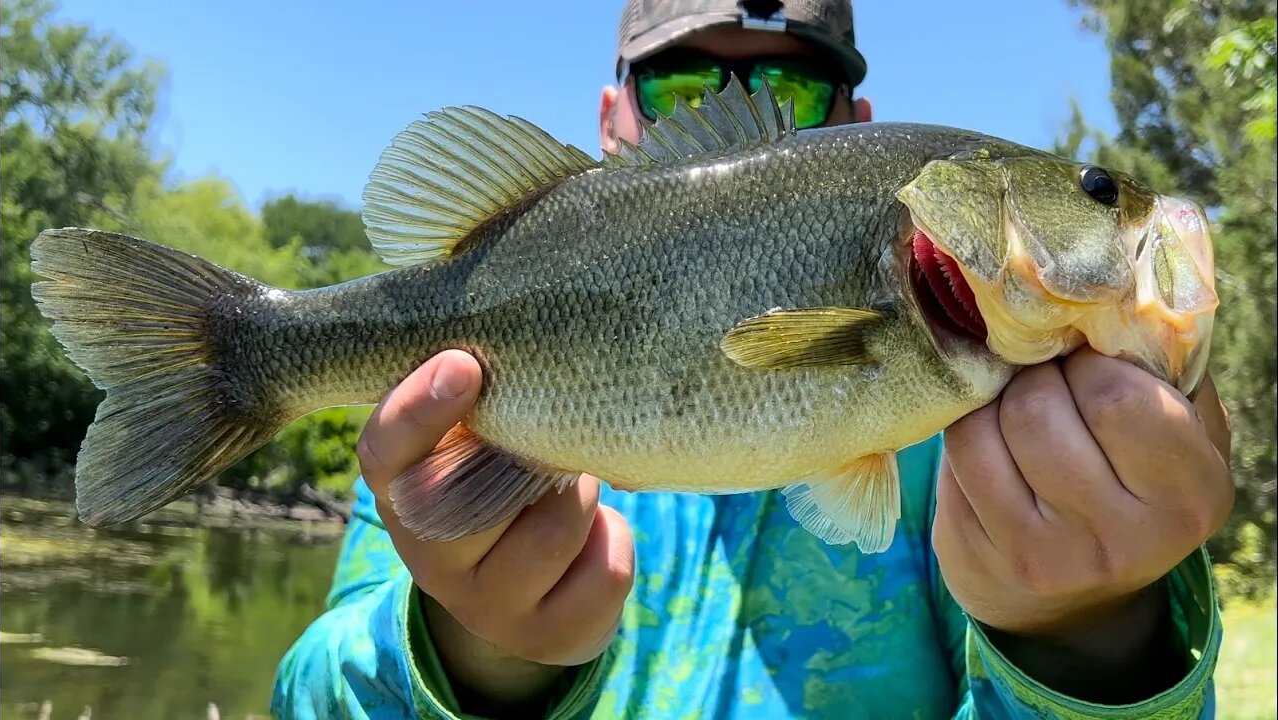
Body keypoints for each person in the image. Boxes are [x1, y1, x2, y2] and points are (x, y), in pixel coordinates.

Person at [270, 2, 1235, 718]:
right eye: (686, 89)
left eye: (792, 90)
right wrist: (469, 653)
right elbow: (303, 697)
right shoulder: (433, 436)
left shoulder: (986, 447)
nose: (743, 111)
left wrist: (1092, 639)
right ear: (612, 116)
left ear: (855, 121)